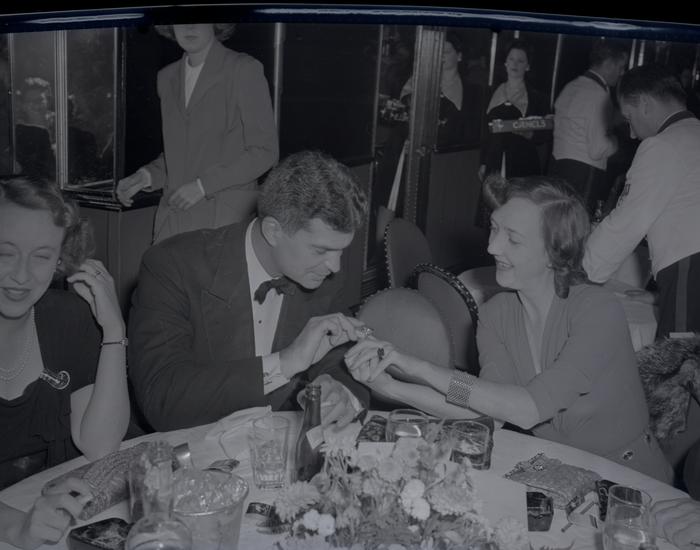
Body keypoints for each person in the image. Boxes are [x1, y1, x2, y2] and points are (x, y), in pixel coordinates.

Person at [346, 176, 672, 483]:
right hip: (557, 473)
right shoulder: (496, 314)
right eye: (494, 229)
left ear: (554, 253)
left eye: (513, 239)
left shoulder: (597, 310)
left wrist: (416, 366)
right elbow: (488, 408)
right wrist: (391, 387)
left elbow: (527, 409)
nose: (492, 247)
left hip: (630, 481)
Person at [128, 150, 371, 432]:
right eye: (321, 250)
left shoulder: (321, 276)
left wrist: (339, 390)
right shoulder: (174, 266)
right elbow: (162, 400)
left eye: (341, 251)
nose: (336, 267)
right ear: (273, 231)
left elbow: (341, 360)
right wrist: (285, 362)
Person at [0, 176, 129, 548]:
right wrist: (16, 528)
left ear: (61, 259)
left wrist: (113, 331)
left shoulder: (67, 318)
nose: (21, 275)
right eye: (5, 252)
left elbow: (100, 446)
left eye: (41, 256)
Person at [116, 23, 278, 243]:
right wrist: (146, 176)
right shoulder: (166, 77)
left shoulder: (243, 69)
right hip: (175, 217)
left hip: (224, 217)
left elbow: (265, 151)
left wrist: (203, 186)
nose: (189, 26)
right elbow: (182, 155)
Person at [583, 63, 700, 338]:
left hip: (688, 273)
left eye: (629, 118)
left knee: (678, 362)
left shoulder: (662, 145)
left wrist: (581, 273)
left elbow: (626, 222)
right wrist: (660, 295)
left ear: (645, 105)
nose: (632, 133)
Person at [549, 38, 629, 216]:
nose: (622, 73)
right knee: (578, 226)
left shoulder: (570, 87)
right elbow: (597, 149)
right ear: (608, 64)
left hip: (558, 170)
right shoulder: (598, 95)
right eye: (620, 67)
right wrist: (616, 142)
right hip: (583, 175)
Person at [478, 41, 551, 182]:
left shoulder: (538, 98)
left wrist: (530, 134)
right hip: (494, 160)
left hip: (523, 163)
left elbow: (545, 135)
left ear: (528, 66)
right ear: (505, 63)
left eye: (520, 61)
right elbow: (485, 132)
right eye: (511, 59)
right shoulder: (491, 92)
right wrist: (483, 163)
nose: (515, 64)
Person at [400, 32, 483, 149]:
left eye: (446, 52)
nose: (441, 56)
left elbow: (470, 134)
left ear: (459, 56)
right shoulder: (418, 80)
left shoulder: (472, 92)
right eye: (438, 51)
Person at [14, 78, 56, 181]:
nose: (36, 105)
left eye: (40, 100)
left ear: (47, 101)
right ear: (23, 105)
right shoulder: (19, 131)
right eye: (30, 101)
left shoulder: (59, 123)